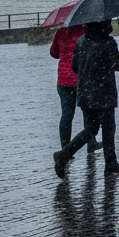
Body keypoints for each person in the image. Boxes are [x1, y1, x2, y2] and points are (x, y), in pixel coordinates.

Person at [53, 20, 119, 177]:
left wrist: (89, 73)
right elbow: (116, 65)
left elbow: (75, 67)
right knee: (108, 128)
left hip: (86, 93)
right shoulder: (108, 42)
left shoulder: (81, 41)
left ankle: (65, 154)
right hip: (104, 94)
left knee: (91, 129)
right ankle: (110, 163)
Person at [49, 23, 101, 155]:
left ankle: (65, 148)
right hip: (81, 79)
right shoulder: (85, 32)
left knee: (67, 114)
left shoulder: (61, 32)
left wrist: (65, 53)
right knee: (88, 112)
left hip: (63, 80)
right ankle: (91, 142)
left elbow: (53, 53)